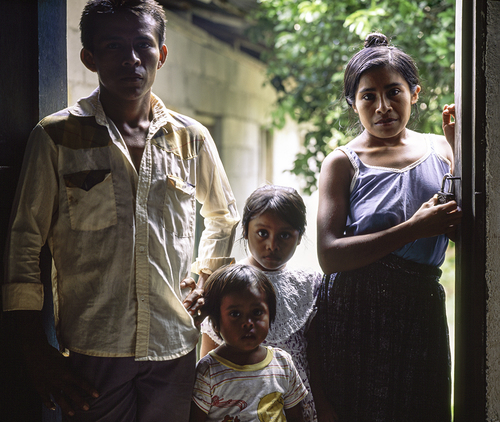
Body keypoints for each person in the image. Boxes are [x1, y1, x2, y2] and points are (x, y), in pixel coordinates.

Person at [2, 1, 239, 421]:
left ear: (161, 55)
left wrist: (207, 278)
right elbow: (24, 243)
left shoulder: (191, 139)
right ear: (89, 58)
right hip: (92, 349)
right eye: (113, 46)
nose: (131, 59)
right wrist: (34, 348)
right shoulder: (57, 136)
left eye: (143, 45)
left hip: (174, 345)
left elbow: (222, 217)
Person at [314, 32, 462, 422]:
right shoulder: (342, 162)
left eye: (394, 92)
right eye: (368, 96)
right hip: (353, 312)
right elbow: (329, 255)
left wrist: (460, 152)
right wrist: (413, 228)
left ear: (415, 93)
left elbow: (468, 231)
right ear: (353, 103)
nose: (383, 107)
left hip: (420, 310)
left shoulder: (443, 149)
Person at [200, 184, 322, 421]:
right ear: (245, 231)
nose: (272, 245)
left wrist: (323, 403)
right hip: (236, 405)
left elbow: (315, 353)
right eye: (262, 233)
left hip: (296, 402)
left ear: (299, 237)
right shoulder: (226, 282)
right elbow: (208, 355)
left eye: (284, 235)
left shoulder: (309, 283)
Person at [190, 264, 307, 422]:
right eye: (235, 314)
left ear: (270, 315)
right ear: (216, 323)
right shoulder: (208, 371)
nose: (248, 322)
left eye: (257, 312)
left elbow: (296, 417)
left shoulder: (283, 363)